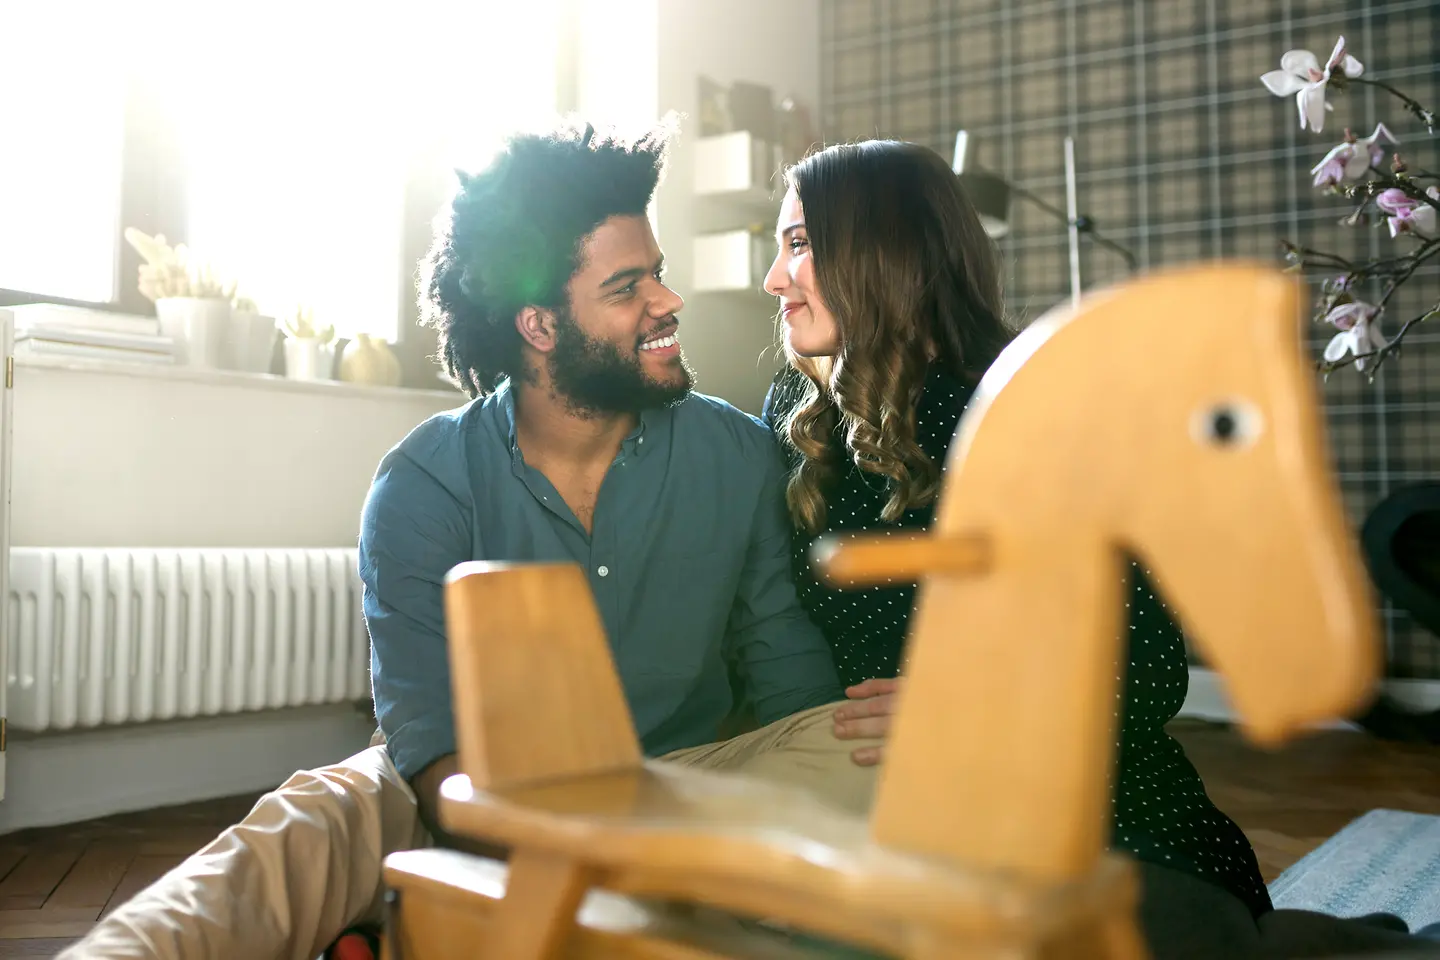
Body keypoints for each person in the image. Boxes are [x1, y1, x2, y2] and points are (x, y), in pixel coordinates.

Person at [761, 138, 1438, 959]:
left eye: (799, 244)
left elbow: (1150, 671)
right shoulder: (796, 421)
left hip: (1097, 809)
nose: (774, 280)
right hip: (901, 808)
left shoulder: (1022, 413)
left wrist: (974, 707)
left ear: (883, 249)